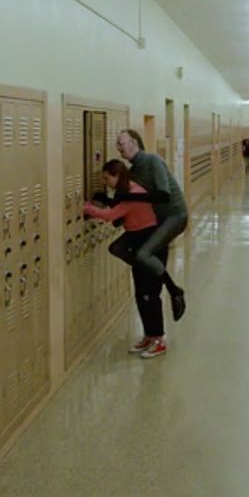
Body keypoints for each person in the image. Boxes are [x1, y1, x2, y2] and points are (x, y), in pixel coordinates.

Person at [83, 159, 169, 358]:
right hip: (137, 243)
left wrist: (88, 209)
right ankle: (149, 335)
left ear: (117, 175)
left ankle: (159, 339)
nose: (106, 182)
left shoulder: (134, 194)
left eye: (107, 178)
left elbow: (111, 215)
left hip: (150, 244)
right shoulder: (127, 192)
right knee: (140, 292)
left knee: (150, 293)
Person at [112, 129, 188, 321]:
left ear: (135, 142)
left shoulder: (153, 161)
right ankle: (149, 268)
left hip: (174, 216)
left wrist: (128, 196)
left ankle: (175, 291)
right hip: (156, 220)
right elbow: (129, 201)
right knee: (119, 248)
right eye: (117, 144)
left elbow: (163, 195)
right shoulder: (132, 172)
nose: (118, 148)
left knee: (143, 255)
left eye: (121, 142)